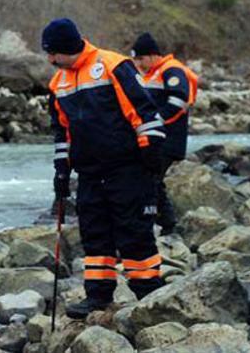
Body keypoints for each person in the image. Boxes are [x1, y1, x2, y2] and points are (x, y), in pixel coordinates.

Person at [43, 18, 166, 319]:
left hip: (126, 167)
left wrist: (152, 155)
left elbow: (144, 111)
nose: (49, 60)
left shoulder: (112, 65)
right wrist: (61, 171)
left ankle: (150, 293)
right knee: (94, 234)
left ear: (65, 49)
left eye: (52, 53)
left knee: (133, 230)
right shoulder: (57, 83)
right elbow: (63, 133)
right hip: (89, 173)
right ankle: (97, 296)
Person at [130, 32, 199, 236]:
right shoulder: (153, 73)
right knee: (152, 179)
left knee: (150, 180)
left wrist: (154, 121)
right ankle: (165, 224)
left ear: (152, 55)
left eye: (141, 59)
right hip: (157, 139)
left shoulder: (172, 70)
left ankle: (163, 225)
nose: (139, 64)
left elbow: (178, 101)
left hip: (168, 139)